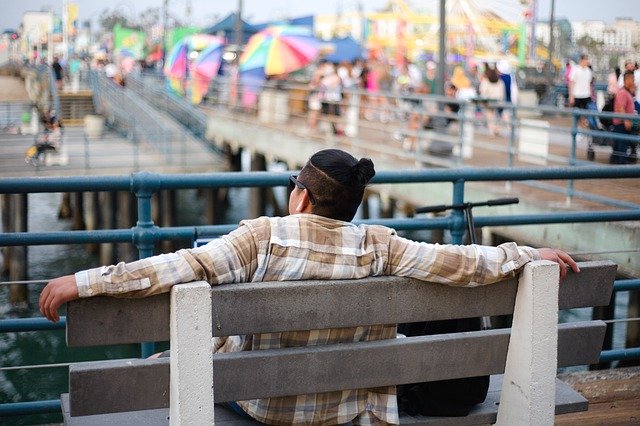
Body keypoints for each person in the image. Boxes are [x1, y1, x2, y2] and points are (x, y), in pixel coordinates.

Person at [40, 149, 578, 425]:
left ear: (300, 197)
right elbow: (463, 264)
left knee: (185, 360)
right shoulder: (381, 244)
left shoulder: (261, 237)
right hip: (345, 411)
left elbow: (179, 268)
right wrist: (530, 255)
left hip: (266, 409)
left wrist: (82, 281)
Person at [610, 71, 637, 164]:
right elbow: (621, 107)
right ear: (627, 80)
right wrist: (626, 120)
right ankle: (621, 166)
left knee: (619, 147)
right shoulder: (622, 92)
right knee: (621, 146)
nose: (634, 82)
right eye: (632, 79)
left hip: (623, 123)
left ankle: (617, 163)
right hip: (621, 124)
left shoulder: (627, 92)